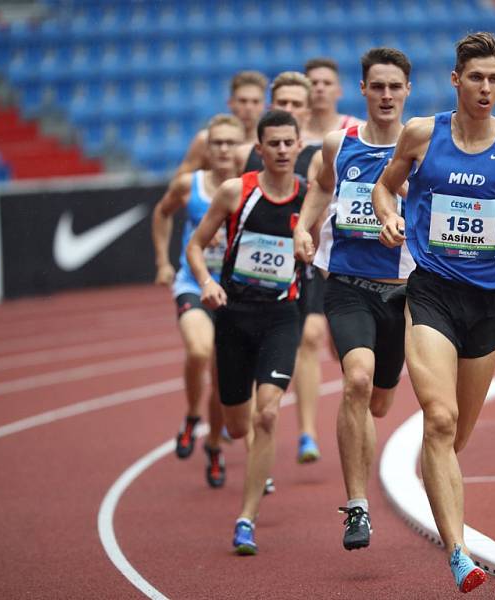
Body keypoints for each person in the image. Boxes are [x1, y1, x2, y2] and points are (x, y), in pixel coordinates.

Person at [372, 32, 495, 593]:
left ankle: (439, 482)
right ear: (456, 80)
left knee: (455, 440)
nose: (486, 88)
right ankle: (459, 554)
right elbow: (387, 190)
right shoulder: (421, 135)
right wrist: (388, 216)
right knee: (440, 418)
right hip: (432, 290)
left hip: (489, 303)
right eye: (476, 78)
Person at [293, 47, 414, 552]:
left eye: (395, 87)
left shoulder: (426, 148)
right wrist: (304, 225)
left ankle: (364, 433)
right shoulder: (337, 144)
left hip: (404, 293)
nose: (386, 95)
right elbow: (322, 188)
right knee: (356, 381)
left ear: (407, 91)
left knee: (380, 401)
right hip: (347, 285)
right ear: (362, 91)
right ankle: (357, 506)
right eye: (377, 86)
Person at [186, 110, 306, 555]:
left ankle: (245, 519)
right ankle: (251, 450)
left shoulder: (307, 197)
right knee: (239, 426)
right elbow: (196, 245)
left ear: (297, 147)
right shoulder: (237, 192)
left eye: (286, 143)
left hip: (281, 317)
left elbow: (325, 240)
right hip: (234, 317)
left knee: (268, 414)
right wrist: (207, 282)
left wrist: (310, 246)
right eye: (271, 143)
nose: (279, 150)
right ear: (259, 149)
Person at [237, 71, 327, 464]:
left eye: (296, 104)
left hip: (306, 260)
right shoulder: (256, 153)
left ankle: (307, 433)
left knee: (310, 337)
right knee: (257, 348)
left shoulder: (320, 155)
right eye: (282, 104)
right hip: (261, 264)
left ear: (308, 109)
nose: (289, 109)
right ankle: (260, 440)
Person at [152, 114, 245, 487]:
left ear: (242, 146)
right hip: (193, 283)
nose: (223, 149)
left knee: (224, 385)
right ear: (207, 148)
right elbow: (161, 213)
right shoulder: (188, 186)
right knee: (198, 351)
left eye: (230, 143)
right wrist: (162, 261)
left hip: (237, 293)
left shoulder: (251, 187)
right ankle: (192, 414)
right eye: (216, 143)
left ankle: (213, 446)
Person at [177, 71, 268, 176]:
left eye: (255, 102)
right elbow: (180, 183)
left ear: (264, 105)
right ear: (230, 103)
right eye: (243, 101)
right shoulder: (205, 140)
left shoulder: (269, 144)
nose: (248, 108)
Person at [303, 57, 364, 145]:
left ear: (339, 91)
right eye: (314, 83)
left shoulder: (358, 129)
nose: (320, 88)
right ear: (304, 90)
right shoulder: (294, 132)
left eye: (327, 83)